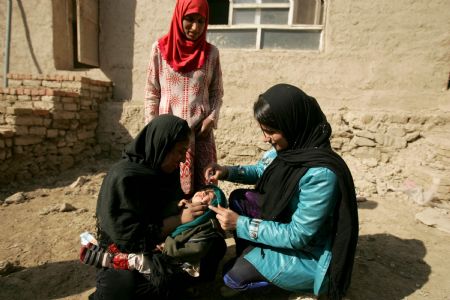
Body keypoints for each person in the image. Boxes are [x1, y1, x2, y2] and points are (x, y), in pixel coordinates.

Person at [205, 84, 359, 299]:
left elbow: (298, 235)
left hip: (309, 253)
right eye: (263, 131)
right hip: (285, 223)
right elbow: (262, 170)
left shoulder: (320, 173)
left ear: (291, 125)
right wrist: (227, 172)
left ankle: (280, 285)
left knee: (233, 276)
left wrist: (240, 224)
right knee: (240, 199)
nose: (265, 139)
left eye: (270, 132)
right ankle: (254, 256)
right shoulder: (291, 149)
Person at [90, 114, 227, 300]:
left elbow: (166, 204)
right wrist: (178, 219)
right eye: (178, 152)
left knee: (215, 246)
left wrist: (180, 206)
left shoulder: (165, 170)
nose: (181, 160)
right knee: (122, 288)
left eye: (184, 153)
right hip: (128, 249)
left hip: (161, 243)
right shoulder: (124, 178)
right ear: (162, 146)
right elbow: (127, 239)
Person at [144, 0, 224, 195]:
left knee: (204, 189)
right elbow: (151, 92)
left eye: (201, 21)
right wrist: (154, 131)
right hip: (168, 136)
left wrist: (211, 119)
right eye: (189, 19)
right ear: (179, 16)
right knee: (168, 189)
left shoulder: (211, 54)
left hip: (200, 134)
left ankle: (202, 223)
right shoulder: (160, 50)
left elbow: (216, 93)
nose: (195, 27)